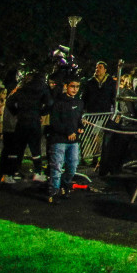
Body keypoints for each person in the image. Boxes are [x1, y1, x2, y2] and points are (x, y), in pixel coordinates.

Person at [47, 74, 85, 203]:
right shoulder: (58, 103)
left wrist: (80, 127)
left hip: (73, 140)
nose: (75, 89)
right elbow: (54, 122)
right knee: (57, 166)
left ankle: (65, 185)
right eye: (72, 86)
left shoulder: (79, 102)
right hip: (59, 139)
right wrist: (68, 131)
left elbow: (78, 119)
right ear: (66, 87)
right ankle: (54, 192)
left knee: (73, 165)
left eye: (77, 87)